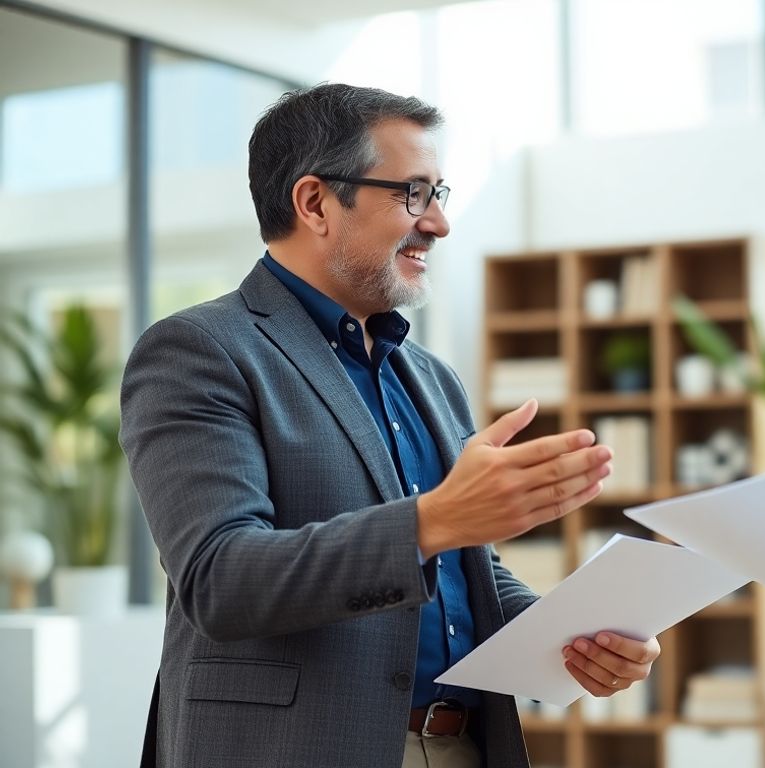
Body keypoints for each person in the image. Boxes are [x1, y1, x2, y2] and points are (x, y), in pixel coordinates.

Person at [120, 83, 658, 768]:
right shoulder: (202, 350)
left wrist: (575, 636)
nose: (437, 223)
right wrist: (435, 519)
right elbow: (221, 578)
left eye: (441, 195)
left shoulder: (430, 376)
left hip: (461, 742)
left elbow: (465, 572)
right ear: (315, 202)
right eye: (413, 194)